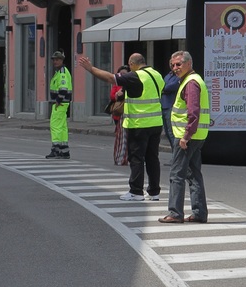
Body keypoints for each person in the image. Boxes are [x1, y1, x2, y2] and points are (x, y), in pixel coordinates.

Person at [78, 52, 164, 201]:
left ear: (132, 64)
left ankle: (136, 191)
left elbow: (111, 78)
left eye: (130, 66)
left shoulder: (135, 76)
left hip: (139, 124)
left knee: (136, 157)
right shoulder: (156, 74)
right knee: (152, 158)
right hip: (156, 123)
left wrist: (91, 69)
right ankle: (154, 191)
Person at [159, 51, 210, 224]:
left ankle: (175, 213)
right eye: (172, 65)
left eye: (179, 64)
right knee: (194, 174)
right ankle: (199, 213)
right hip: (197, 135)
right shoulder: (193, 80)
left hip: (187, 136)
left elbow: (193, 112)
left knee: (176, 174)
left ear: (189, 64)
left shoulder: (191, 83)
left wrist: (186, 136)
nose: (175, 68)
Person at [46, 50, 72, 159]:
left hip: (60, 103)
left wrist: (58, 100)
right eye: (54, 60)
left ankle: (56, 149)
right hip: (63, 103)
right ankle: (64, 150)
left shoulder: (61, 73)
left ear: (62, 60)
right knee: (62, 127)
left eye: (57, 59)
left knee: (55, 125)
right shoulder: (62, 71)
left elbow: (63, 89)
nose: (55, 61)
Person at [160, 55, 182, 153]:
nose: (173, 66)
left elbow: (169, 87)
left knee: (172, 132)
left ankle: (177, 155)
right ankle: (174, 154)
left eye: (177, 64)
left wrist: (164, 89)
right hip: (163, 106)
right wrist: (164, 89)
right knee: (167, 133)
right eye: (172, 64)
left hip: (171, 106)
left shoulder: (179, 77)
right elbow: (162, 86)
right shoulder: (168, 76)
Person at [110, 65, 129, 166]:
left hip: (128, 114)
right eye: (121, 74)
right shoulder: (117, 84)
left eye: (125, 74)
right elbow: (112, 95)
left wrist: (121, 94)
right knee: (121, 136)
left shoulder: (129, 84)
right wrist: (117, 94)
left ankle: (125, 157)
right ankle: (120, 158)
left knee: (127, 137)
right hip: (118, 114)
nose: (123, 76)